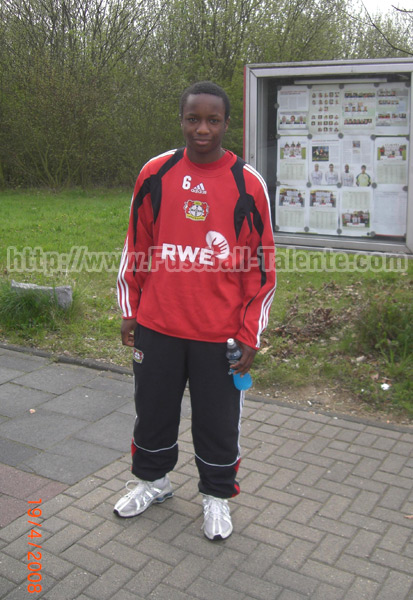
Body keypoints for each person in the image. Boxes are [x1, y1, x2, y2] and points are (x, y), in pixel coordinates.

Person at [114, 81, 276, 541]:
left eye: (212, 120)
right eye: (193, 119)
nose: (202, 129)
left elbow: (261, 268)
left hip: (219, 334)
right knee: (153, 411)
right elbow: (137, 244)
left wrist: (250, 333)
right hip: (158, 325)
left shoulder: (247, 183)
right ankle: (153, 482)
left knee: (217, 421)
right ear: (181, 120)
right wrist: (130, 307)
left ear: (227, 123)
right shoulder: (156, 172)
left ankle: (217, 496)